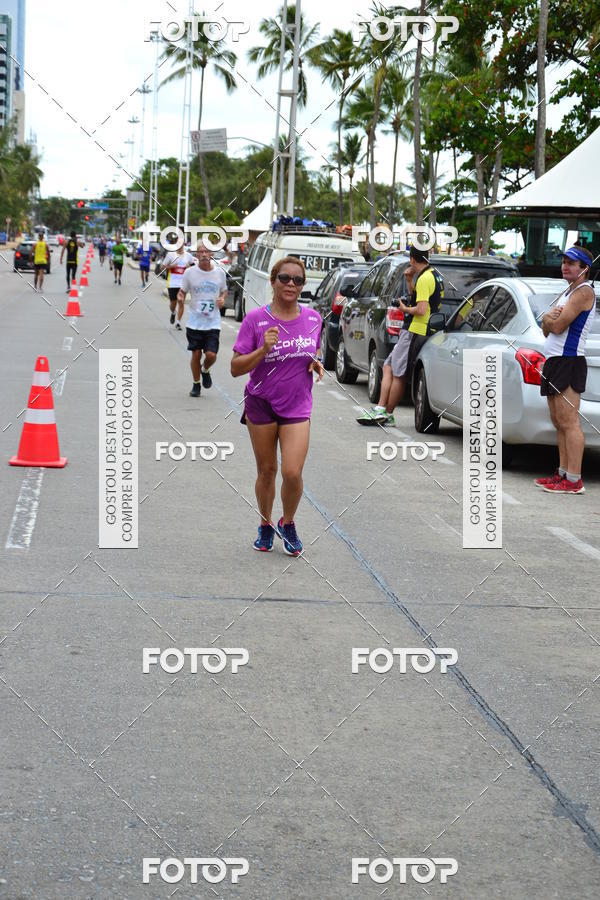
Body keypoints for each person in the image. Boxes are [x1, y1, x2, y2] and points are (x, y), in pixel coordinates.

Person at [231, 257, 323, 556]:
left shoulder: (313, 319)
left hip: (297, 405)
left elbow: (310, 350)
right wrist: (263, 349)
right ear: (273, 281)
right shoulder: (255, 320)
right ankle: (265, 523)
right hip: (261, 403)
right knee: (268, 470)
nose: (291, 285)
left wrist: (314, 361)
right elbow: (235, 368)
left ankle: (289, 521)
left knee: (293, 472)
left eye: (298, 280)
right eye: (285, 278)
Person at [357, 245, 443, 425]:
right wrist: (410, 280)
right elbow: (419, 298)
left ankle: (384, 412)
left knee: (396, 372)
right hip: (416, 330)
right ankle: (384, 411)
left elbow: (421, 309)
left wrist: (404, 309)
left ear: (412, 259)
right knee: (389, 367)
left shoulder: (426, 278)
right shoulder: (432, 275)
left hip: (414, 330)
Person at [535, 245, 596, 494]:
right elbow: (546, 328)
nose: (565, 266)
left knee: (569, 421)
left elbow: (556, 327)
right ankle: (561, 474)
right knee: (558, 421)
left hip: (569, 361)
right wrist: (547, 320)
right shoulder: (566, 293)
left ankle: (574, 479)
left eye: (572, 263)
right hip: (554, 360)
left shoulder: (583, 292)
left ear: (585, 269)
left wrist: (548, 319)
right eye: (564, 261)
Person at [178, 245, 227, 397]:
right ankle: (196, 384)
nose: (204, 254)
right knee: (196, 354)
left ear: (212, 254)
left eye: (207, 251)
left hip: (213, 321)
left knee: (211, 355)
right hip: (194, 321)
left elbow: (224, 290)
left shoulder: (219, 273)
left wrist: (222, 299)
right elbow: (182, 291)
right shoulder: (190, 273)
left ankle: (205, 370)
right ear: (197, 255)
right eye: (201, 251)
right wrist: (180, 298)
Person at [164, 240, 195, 330]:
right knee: (173, 303)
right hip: (172, 283)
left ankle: (178, 322)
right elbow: (163, 266)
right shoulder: (170, 255)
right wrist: (171, 266)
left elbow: (194, 267)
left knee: (181, 301)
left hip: (183, 283)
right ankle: (173, 312)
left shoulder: (188, 256)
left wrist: (189, 267)